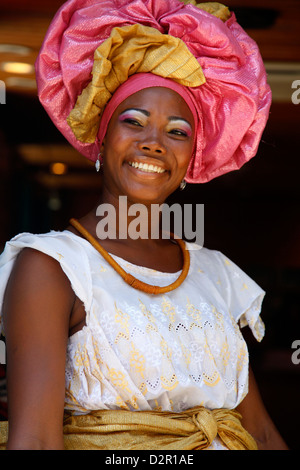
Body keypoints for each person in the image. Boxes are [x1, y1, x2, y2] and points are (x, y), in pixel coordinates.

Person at [0, 0, 288, 450]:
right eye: (133, 122)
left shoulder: (215, 273)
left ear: (191, 157)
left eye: (177, 131)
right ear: (100, 136)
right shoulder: (53, 267)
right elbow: (34, 441)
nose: (153, 143)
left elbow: (262, 433)